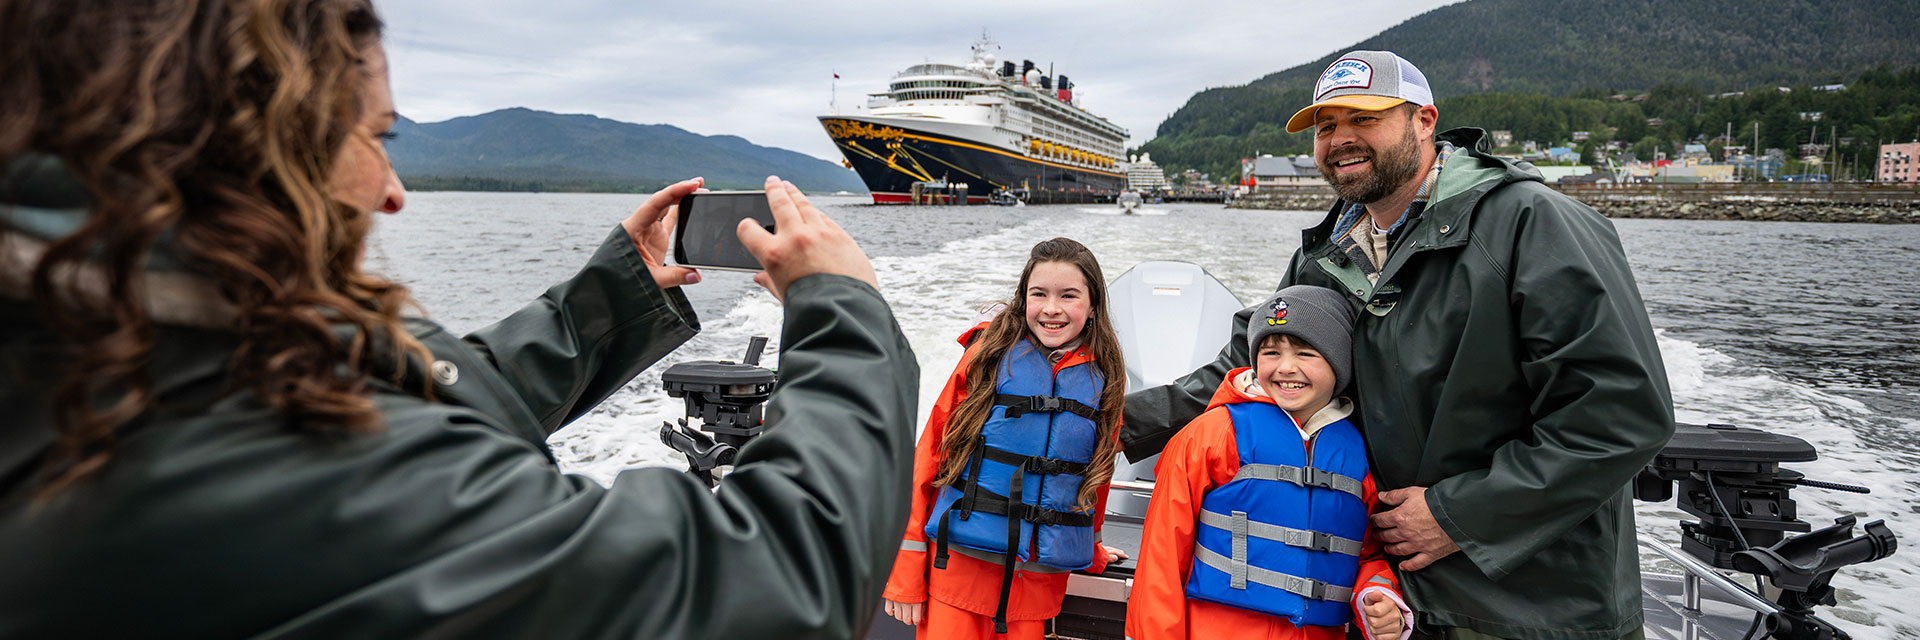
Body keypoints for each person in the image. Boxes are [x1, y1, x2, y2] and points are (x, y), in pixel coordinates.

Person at [0, 2, 916, 638]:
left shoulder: (109, 355)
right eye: (377, 137)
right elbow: (771, 586)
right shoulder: (255, 460)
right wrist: (842, 308)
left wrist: (611, 297)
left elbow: (394, 408)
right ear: (245, 143)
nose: (393, 192)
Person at [1119, 50, 1674, 640]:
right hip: (1382, 597)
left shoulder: (1531, 222)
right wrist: (1107, 424)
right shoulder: (1326, 254)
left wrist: (1456, 516)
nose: (1341, 139)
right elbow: (1246, 366)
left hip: (1529, 610)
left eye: (1365, 118)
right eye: (1326, 125)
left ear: (1424, 121)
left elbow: (1619, 413)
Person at [1127, 286, 1410, 640]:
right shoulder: (1210, 435)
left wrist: (1379, 595)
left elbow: (1363, 553)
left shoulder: (1354, 452)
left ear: (1339, 362)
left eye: (1305, 353)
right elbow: (1162, 559)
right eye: (1271, 352)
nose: (1286, 367)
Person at [881, 238, 1129, 639]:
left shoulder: (1106, 376)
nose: (1051, 308)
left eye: (1068, 295)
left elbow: (1095, 476)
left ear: (1093, 304)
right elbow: (930, 454)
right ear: (1023, 298)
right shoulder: (988, 355)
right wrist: (906, 569)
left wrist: (1093, 548)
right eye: (1039, 294)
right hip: (957, 573)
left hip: (1036, 588)